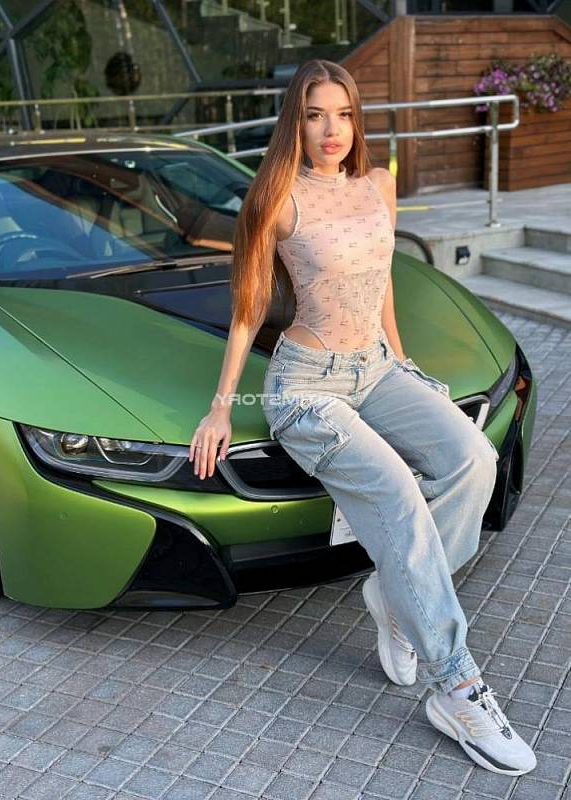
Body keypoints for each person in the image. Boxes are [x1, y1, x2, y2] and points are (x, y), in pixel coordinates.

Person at [188, 58, 537, 775]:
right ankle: (457, 688)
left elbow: (382, 285)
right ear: (295, 122)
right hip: (306, 387)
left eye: (343, 114)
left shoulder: (380, 184)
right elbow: (249, 309)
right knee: (401, 501)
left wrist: (402, 365)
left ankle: (393, 598)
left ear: (357, 120)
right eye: (315, 114)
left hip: (376, 368)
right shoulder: (277, 196)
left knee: (474, 461)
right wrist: (221, 407)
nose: (331, 130)